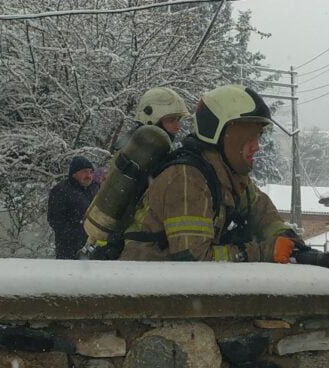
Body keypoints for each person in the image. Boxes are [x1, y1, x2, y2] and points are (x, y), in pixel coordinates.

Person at [119, 84, 299, 263]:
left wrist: (292, 243)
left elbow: (263, 215)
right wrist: (261, 252)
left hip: (169, 286)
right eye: (249, 137)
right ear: (226, 136)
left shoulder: (229, 178)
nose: (257, 147)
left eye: (258, 137)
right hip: (140, 283)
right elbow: (194, 258)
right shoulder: (186, 180)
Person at [47, 156, 100, 259]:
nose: (89, 175)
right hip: (69, 250)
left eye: (91, 172)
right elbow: (55, 220)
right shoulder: (61, 191)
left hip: (94, 247)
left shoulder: (95, 188)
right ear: (74, 174)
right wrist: (75, 235)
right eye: (85, 172)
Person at [114, 86, 189, 150]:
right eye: (171, 120)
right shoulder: (142, 154)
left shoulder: (134, 147)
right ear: (150, 120)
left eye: (178, 119)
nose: (178, 127)